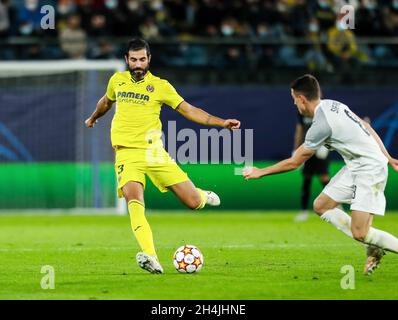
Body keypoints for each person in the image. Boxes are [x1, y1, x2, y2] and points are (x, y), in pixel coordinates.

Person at [85, 38, 241, 274]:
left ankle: (201, 195)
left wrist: (221, 123)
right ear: (127, 60)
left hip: (154, 152)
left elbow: (189, 110)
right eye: (134, 59)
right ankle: (150, 256)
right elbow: (106, 101)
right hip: (127, 153)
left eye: (142, 59)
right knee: (134, 202)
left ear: (149, 60)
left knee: (191, 202)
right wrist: (94, 117)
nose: (138, 64)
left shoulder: (161, 86)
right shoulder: (117, 80)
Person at [243, 74, 398, 275]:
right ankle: (373, 244)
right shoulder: (333, 104)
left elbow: (294, 162)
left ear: (301, 99)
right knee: (321, 206)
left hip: (370, 169)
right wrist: (387, 155)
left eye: (293, 99)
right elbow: (366, 126)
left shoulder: (321, 124)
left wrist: (260, 172)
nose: (294, 104)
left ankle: (373, 243)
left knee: (360, 233)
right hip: (355, 165)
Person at [293, 111, 330, 222]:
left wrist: (325, 145)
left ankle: (337, 206)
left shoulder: (323, 109)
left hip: (321, 148)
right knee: (306, 178)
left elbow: (330, 127)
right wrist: (296, 148)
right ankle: (303, 211)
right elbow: (300, 129)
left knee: (324, 178)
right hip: (307, 147)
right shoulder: (301, 111)